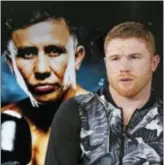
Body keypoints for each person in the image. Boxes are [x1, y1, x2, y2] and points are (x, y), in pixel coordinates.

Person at [45, 22, 163, 165]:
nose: (124, 68)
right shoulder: (75, 111)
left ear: (154, 63)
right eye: (115, 58)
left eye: (134, 57)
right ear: (106, 63)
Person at [1, 9, 88, 165]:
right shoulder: (4, 122)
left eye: (54, 51)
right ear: (11, 63)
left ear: (77, 57)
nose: (41, 70)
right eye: (27, 54)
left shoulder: (111, 125)